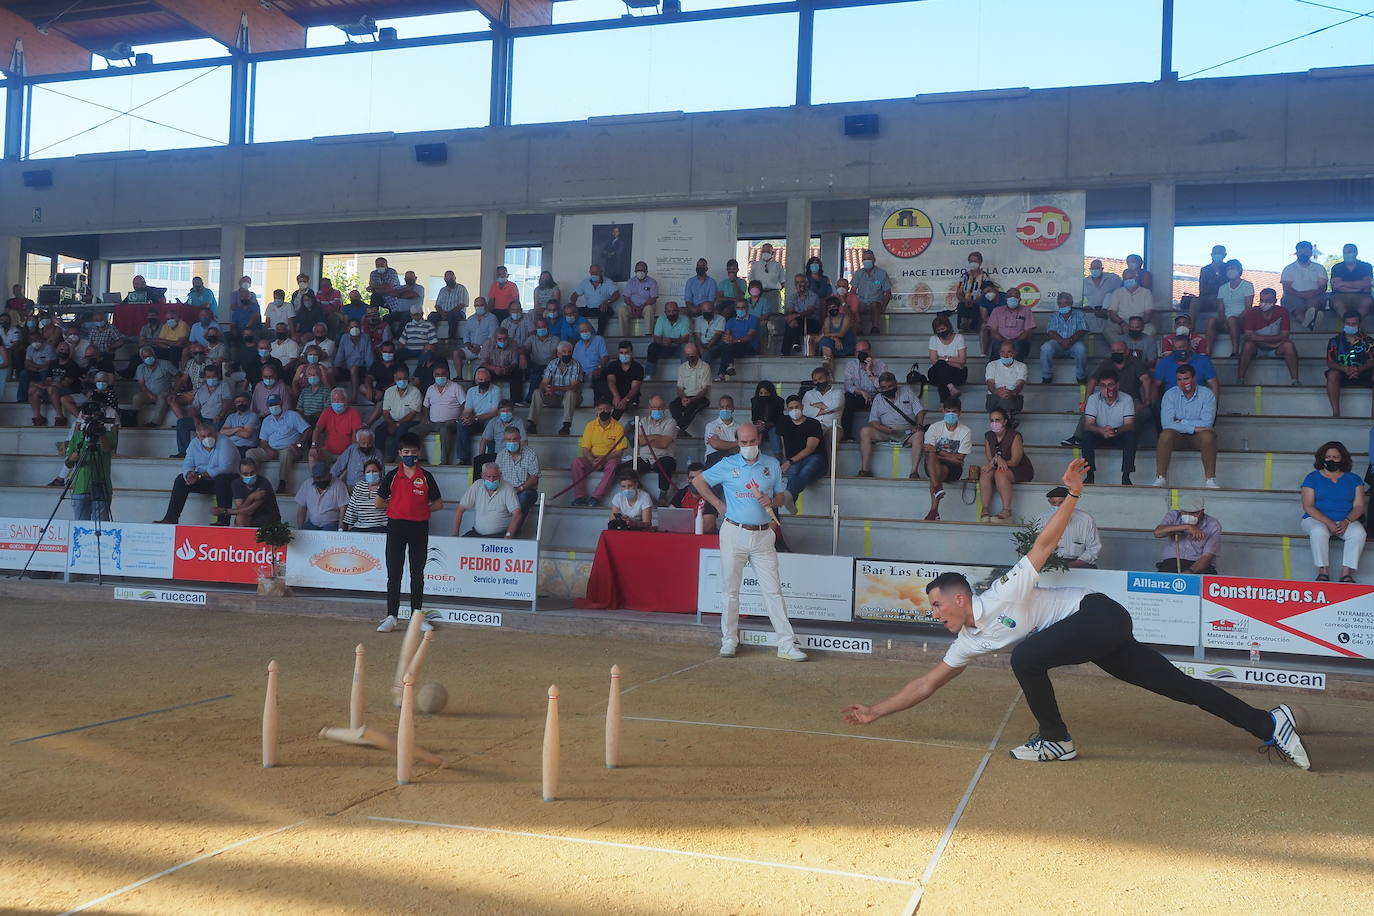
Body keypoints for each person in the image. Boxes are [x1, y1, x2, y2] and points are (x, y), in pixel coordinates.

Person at [841, 457, 1311, 771]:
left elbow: (1045, 545)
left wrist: (1072, 494)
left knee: (1026, 657)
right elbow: (925, 683)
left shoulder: (1004, 591)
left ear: (961, 598)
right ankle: (1270, 723)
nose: (934, 613)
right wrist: (875, 711)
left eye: (938, 604)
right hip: (1098, 638)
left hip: (1098, 615)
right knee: (1182, 689)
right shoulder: (969, 640)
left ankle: (1056, 739)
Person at [694, 421, 808, 662]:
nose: (748, 446)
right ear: (737, 442)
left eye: (752, 441)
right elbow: (698, 481)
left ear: (759, 440)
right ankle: (729, 640)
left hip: (763, 533)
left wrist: (772, 501)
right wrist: (718, 505)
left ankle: (786, 644)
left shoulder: (771, 464)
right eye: (743, 442)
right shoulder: (727, 464)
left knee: (773, 591)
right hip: (734, 531)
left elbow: (779, 496)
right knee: (731, 590)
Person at [375, 433, 444, 633]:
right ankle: (391, 616)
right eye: (406, 452)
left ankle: (417, 616)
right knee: (394, 573)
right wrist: (396, 506)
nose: (410, 456)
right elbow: (379, 502)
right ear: (399, 453)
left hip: (419, 527)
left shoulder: (426, 476)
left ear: (419, 453)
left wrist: (421, 510)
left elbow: (438, 503)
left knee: (417, 573)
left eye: (413, 453)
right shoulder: (392, 475)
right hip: (396, 526)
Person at [1300, 441, 1366, 583]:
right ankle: (1323, 571)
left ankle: (1346, 573)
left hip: (1345, 519)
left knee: (1358, 533)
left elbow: (1359, 506)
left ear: (1342, 458)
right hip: (1315, 519)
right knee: (1319, 531)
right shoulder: (1312, 477)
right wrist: (1328, 522)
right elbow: (1308, 506)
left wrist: (1346, 521)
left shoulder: (1354, 479)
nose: (1331, 460)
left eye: (1335, 457)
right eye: (1328, 456)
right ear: (1322, 458)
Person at [156, 422, 239, 524]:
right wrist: (189, 474)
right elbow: (187, 463)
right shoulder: (194, 444)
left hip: (229, 481)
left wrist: (199, 476)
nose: (207, 438)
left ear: (215, 433)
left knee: (221, 479)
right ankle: (170, 518)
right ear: (198, 437)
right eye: (203, 436)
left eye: (209, 435)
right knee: (181, 479)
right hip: (206, 481)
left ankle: (223, 521)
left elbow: (226, 468)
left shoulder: (225, 442)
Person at [1154, 364, 1219, 489]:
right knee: (1165, 434)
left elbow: (1207, 424)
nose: (1183, 382)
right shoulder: (1170, 394)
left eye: (1186, 379)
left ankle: (1210, 480)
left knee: (1208, 436)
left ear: (1194, 378)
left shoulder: (1207, 394)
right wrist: (1193, 427)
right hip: (1178, 437)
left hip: (1197, 438)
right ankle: (1161, 477)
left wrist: (1181, 422)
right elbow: (1166, 424)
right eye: (1179, 379)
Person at [858, 372, 923, 478]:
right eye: (884, 387)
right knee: (865, 431)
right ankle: (865, 470)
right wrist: (882, 428)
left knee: (919, 434)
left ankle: (914, 472)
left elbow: (920, 411)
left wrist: (919, 425)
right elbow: (873, 421)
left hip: (907, 432)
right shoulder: (878, 398)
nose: (887, 389)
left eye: (890, 386)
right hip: (886, 431)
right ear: (880, 387)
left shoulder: (907, 391)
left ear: (896, 383)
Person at [1079, 368, 1137, 485]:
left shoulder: (1126, 398)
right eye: (1103, 386)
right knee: (1086, 437)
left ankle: (1126, 476)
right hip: (1099, 434)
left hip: (1118, 433)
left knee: (1131, 437)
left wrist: (1115, 430)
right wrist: (1101, 430)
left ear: (1117, 385)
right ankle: (1090, 475)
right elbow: (1088, 425)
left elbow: (1129, 425)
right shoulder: (1093, 398)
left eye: (1110, 385)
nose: (1107, 389)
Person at [921, 397, 973, 520]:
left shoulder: (965, 431)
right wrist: (950, 456)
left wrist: (938, 451)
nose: (951, 414)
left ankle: (935, 497)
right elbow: (928, 450)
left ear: (960, 412)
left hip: (953, 469)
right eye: (948, 411)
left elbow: (960, 458)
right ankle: (934, 506)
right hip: (932, 462)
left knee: (936, 466)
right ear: (943, 411)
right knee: (932, 459)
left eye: (954, 411)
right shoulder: (934, 428)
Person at [65, 401, 117, 521]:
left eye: (94, 414)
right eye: (88, 415)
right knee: (80, 526)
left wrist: (100, 433)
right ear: (83, 416)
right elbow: (68, 464)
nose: (91, 417)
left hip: (101, 485)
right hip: (80, 487)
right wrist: (72, 459)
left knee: (102, 525)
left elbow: (107, 448)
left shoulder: (108, 434)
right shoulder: (78, 436)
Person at [247, 395, 312, 493]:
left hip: (289, 449)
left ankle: (282, 483)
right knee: (250, 453)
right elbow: (263, 441)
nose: (273, 406)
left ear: (281, 403)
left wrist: (298, 444)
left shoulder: (292, 415)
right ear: (268, 406)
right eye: (271, 404)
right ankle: (253, 482)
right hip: (271, 449)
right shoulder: (266, 420)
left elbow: (308, 430)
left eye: (275, 403)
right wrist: (268, 450)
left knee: (286, 453)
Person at [1237, 289, 1300, 386]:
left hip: (1276, 348)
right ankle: (1240, 379)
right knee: (1248, 346)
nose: (1264, 303)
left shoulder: (1283, 312)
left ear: (1275, 301)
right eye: (1262, 300)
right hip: (1258, 347)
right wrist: (1273, 342)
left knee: (1289, 345)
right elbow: (1249, 336)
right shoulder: (1252, 312)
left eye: (1268, 301)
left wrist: (1258, 338)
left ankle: (1295, 380)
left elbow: (1285, 335)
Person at [980, 407, 1032, 522]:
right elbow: (990, 459)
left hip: (1020, 468)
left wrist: (999, 461)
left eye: (997, 420)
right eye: (992, 420)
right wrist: (995, 461)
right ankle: (985, 509)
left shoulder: (1014, 435)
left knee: (1000, 473)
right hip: (999, 467)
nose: (994, 423)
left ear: (1005, 421)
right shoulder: (989, 436)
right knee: (985, 473)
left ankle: (1007, 510)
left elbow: (1015, 461)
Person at [571, 398, 626, 507]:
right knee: (576, 462)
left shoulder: (618, 427)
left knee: (614, 464)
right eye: (600, 409)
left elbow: (619, 451)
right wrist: (592, 460)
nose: (603, 412)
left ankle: (596, 497)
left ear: (611, 409)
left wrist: (604, 459)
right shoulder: (590, 426)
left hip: (609, 459)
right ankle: (580, 497)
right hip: (592, 458)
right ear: (596, 411)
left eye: (605, 409)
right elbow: (585, 448)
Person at [777, 395, 825, 514]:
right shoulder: (784, 422)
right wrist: (786, 461)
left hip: (815, 458)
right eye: (790, 408)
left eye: (796, 407)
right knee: (793, 472)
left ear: (802, 407)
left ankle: (788, 496)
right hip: (793, 460)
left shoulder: (813, 424)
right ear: (787, 409)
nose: (794, 410)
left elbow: (810, 449)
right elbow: (783, 445)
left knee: (806, 470)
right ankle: (791, 500)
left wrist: (790, 461)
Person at [1153, 493, 1222, 574]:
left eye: (1193, 513)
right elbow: (1157, 533)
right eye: (1185, 512)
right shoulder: (1174, 515)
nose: (1188, 515)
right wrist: (1186, 526)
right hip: (1172, 562)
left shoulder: (1213, 524)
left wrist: (1190, 571)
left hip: (1199, 564)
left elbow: (1207, 557)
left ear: (1201, 511)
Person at [411, 362, 465, 465]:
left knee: (445, 430)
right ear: (433, 376)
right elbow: (426, 406)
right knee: (412, 431)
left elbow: (465, 404)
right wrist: (426, 417)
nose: (440, 377)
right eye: (437, 374)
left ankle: (444, 461)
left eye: (443, 374)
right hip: (433, 423)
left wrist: (458, 419)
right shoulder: (430, 389)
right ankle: (422, 458)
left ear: (447, 374)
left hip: (450, 423)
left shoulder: (456, 387)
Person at [1033, 486, 1101, 568]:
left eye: (1061, 502)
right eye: (1053, 503)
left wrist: (1076, 563)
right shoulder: (1041, 519)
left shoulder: (1085, 519)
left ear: (1070, 501)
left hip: (1080, 562)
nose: (1057, 506)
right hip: (1050, 561)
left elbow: (1094, 548)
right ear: (1049, 502)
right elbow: (1034, 545)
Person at [452, 462, 524, 538]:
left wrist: (508, 536)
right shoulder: (477, 485)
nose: (491, 480)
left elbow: (517, 514)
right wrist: (455, 534)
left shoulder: (507, 487)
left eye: (495, 476)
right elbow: (460, 509)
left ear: (500, 475)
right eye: (488, 476)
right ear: (482, 476)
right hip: (477, 534)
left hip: (499, 535)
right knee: (460, 546)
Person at [629, 394, 677, 503]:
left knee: (667, 464)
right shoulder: (643, 421)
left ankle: (663, 496)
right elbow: (638, 441)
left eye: (660, 407)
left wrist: (646, 439)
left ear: (664, 408)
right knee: (622, 469)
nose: (657, 410)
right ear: (649, 408)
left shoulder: (671, 422)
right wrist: (657, 437)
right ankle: (645, 494)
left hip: (663, 457)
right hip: (644, 458)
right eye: (654, 407)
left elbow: (664, 443)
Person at [1325, 311, 1374, 418]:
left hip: (1363, 373)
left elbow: (1372, 360)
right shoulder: (1334, 341)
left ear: (1359, 324)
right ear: (1343, 324)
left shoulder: (1368, 341)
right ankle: (1336, 413)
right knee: (1332, 374)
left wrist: (1360, 369)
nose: (1351, 326)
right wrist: (1345, 369)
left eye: (1354, 324)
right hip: (1343, 374)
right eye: (1348, 323)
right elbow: (1330, 362)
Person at [212, 458, 281, 527]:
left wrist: (224, 511)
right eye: (245, 474)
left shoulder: (264, 483)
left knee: (240, 517)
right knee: (240, 517)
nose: (249, 476)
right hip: (250, 517)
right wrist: (250, 498)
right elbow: (241, 508)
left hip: (268, 517)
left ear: (257, 471)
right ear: (240, 474)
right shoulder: (236, 483)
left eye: (252, 472)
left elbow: (250, 510)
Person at [535, 341, 584, 437]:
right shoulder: (552, 364)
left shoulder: (576, 365)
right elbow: (543, 383)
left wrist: (556, 388)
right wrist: (546, 388)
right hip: (555, 397)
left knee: (570, 393)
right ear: (558, 354)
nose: (567, 354)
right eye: (564, 352)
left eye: (569, 352)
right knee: (537, 392)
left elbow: (574, 386)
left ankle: (566, 425)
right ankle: (532, 423)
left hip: (573, 398)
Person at [840, 340, 885, 442]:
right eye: (858, 351)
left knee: (884, 398)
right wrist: (861, 392)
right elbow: (847, 386)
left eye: (864, 351)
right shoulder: (851, 365)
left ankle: (879, 435)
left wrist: (869, 371)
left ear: (870, 351)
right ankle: (847, 436)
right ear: (855, 353)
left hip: (876, 397)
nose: (861, 354)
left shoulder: (880, 364)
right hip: (859, 397)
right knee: (848, 397)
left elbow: (882, 388)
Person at [1039, 293, 1088, 383]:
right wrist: (1061, 341)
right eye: (1060, 303)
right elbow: (1051, 331)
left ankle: (1081, 377)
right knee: (1045, 348)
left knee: (1081, 349)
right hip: (1058, 343)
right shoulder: (1054, 315)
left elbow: (1082, 330)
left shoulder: (1080, 314)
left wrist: (1070, 340)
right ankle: (1046, 377)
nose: (1062, 306)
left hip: (1074, 343)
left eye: (1065, 303)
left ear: (1071, 303)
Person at [495, 427, 541, 523]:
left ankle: (512, 532)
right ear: (504, 440)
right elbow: (497, 476)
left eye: (515, 439)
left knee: (522, 499)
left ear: (520, 438)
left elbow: (534, 477)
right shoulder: (501, 455)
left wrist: (519, 489)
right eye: (509, 439)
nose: (512, 442)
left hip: (525, 491)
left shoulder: (530, 453)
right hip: (506, 491)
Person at [1280, 240, 1329, 330]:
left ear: (1310, 253)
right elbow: (1286, 288)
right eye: (1300, 252)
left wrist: (1313, 294)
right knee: (1298, 308)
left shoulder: (1319, 268)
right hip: (1293, 296)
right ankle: (1310, 325)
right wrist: (1301, 295)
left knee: (1313, 305)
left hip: (1315, 295)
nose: (1303, 254)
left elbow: (1323, 286)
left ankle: (1310, 321)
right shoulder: (1288, 268)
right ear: (1296, 253)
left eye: (1306, 252)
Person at [1104, 268, 1155, 347]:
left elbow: (1148, 314)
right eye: (1125, 279)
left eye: (1130, 278)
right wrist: (1122, 324)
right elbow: (1112, 313)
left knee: (1151, 330)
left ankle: (1136, 350)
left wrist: (1138, 325)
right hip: (1121, 321)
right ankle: (1123, 349)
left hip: (1140, 321)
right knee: (1108, 330)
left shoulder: (1146, 293)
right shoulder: (1117, 292)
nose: (1128, 280)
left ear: (1137, 278)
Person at [1212, 259, 1253, 356]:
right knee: (1211, 321)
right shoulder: (1222, 288)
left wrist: (1233, 320)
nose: (1230, 270)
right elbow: (1220, 308)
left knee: (1232, 320)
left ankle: (1235, 351)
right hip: (1226, 320)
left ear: (1239, 270)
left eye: (1233, 268)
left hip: (1242, 320)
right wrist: (1224, 321)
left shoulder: (1247, 286)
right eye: (1228, 269)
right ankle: (1208, 352)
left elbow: (1248, 308)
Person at [295, 459, 349, 531]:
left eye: (323, 477)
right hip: (312, 523)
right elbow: (302, 508)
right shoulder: (307, 484)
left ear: (329, 475)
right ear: (313, 478)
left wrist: (340, 529)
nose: (321, 480)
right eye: (318, 478)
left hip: (331, 524)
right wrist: (300, 529)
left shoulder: (339, 485)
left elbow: (343, 509)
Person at [984, 289, 1036, 362]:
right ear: (1006, 298)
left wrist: (1013, 341)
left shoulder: (1026, 311)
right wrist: (1005, 341)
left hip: (1019, 341)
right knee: (997, 346)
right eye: (1010, 295)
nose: (1013, 297)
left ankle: (1017, 371)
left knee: (1017, 346)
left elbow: (1027, 331)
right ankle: (993, 371)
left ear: (1020, 299)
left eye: (1016, 296)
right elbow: (993, 332)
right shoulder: (997, 311)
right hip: (1000, 340)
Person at [312, 388, 365, 460]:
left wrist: (352, 453)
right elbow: (317, 429)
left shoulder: (353, 413)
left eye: (340, 400)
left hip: (347, 453)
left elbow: (355, 435)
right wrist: (314, 445)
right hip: (328, 452)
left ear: (346, 401)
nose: (337, 402)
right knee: (312, 454)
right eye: (334, 400)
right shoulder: (327, 412)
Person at [670, 342, 711, 433]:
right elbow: (679, 388)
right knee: (673, 406)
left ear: (697, 353)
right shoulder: (682, 368)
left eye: (692, 355)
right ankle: (681, 429)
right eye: (688, 355)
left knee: (691, 408)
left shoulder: (705, 367)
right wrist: (683, 398)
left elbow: (705, 389)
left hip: (700, 398)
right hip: (685, 396)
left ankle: (679, 428)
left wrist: (692, 400)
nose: (690, 357)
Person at [715, 298, 760, 380]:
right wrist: (727, 339)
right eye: (738, 308)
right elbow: (727, 334)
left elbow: (750, 336)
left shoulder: (754, 319)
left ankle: (723, 371)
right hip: (733, 346)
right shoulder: (731, 321)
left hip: (748, 347)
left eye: (743, 307)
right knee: (725, 345)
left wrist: (736, 340)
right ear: (735, 309)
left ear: (747, 308)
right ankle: (728, 367)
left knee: (726, 346)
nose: (740, 310)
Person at [132, 346, 177, 428]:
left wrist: (174, 390)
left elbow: (179, 376)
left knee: (162, 397)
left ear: (154, 355)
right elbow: (141, 384)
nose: (148, 358)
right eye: (145, 357)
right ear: (142, 358)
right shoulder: (140, 368)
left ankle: (155, 423)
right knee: (137, 397)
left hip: (164, 392)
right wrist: (149, 394)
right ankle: (134, 422)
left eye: (150, 355)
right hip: (148, 393)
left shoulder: (166, 364)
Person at [341, 458, 389, 533]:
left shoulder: (386, 486)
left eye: (374, 471)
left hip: (380, 527)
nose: (371, 474)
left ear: (380, 472)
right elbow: (351, 509)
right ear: (364, 474)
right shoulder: (359, 486)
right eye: (368, 472)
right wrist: (348, 528)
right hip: (360, 526)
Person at [571, 263, 619, 337]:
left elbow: (616, 294)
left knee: (603, 312)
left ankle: (599, 336)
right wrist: (573, 305)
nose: (594, 274)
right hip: (589, 309)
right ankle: (575, 335)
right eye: (593, 272)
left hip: (603, 308)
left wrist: (607, 302)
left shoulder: (608, 282)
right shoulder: (585, 282)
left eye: (597, 272)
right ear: (589, 272)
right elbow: (574, 296)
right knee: (572, 312)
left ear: (601, 272)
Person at [599, 339, 644, 419]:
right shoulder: (612, 365)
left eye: (626, 352)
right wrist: (616, 395)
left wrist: (625, 400)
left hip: (630, 397)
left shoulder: (638, 368)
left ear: (631, 353)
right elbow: (611, 381)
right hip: (614, 394)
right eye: (621, 353)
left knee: (620, 406)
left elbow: (635, 387)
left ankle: (611, 425)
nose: (624, 355)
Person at [852, 249, 892, 334]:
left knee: (875, 305)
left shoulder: (882, 274)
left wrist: (884, 307)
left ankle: (875, 328)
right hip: (862, 302)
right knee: (854, 306)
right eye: (864, 259)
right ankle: (858, 328)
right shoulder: (858, 273)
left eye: (869, 259)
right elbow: (853, 291)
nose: (866, 261)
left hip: (875, 302)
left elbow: (888, 293)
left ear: (874, 260)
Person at [646, 302, 691, 378]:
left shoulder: (685, 319)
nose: (672, 313)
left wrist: (671, 340)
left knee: (686, 348)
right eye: (669, 311)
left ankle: (686, 376)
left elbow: (685, 338)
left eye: (674, 311)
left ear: (678, 311)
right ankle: (649, 375)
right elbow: (656, 337)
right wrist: (663, 341)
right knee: (652, 347)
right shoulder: (661, 319)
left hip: (678, 348)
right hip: (664, 347)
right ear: (665, 312)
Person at [479, 327, 524, 401]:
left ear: (508, 337)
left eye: (505, 338)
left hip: (507, 370)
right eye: (500, 339)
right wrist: (494, 368)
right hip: (492, 370)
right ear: (495, 338)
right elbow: (483, 362)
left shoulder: (513, 344)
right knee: (480, 372)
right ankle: (478, 397)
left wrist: (508, 368)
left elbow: (515, 362)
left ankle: (516, 400)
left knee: (518, 372)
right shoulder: (488, 344)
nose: (503, 341)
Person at [985, 340, 1027, 418]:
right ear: (999, 352)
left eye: (1009, 352)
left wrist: (1012, 393)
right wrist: (996, 391)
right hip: (994, 397)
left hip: (1014, 397)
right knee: (1004, 401)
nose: (1005, 355)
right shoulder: (991, 365)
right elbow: (990, 384)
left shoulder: (1022, 366)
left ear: (1015, 353)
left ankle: (1003, 421)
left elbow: (1020, 385)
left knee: (1007, 400)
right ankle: (1008, 420)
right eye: (1002, 352)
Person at [672, 461, 718, 533]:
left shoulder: (711, 495)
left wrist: (680, 526)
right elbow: (669, 517)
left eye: (698, 478)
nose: (695, 481)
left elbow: (707, 527)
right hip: (681, 536)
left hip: (704, 539)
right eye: (692, 478)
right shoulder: (681, 493)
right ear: (687, 479)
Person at [1329, 243, 1373, 318]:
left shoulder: (1366, 266)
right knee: (1337, 304)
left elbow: (1367, 283)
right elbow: (1336, 286)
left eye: (1349, 252)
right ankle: (1348, 324)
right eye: (1344, 252)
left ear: (1356, 253)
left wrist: (1343, 283)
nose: (1346, 254)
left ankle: (1355, 324)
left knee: (1367, 302)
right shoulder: (1336, 267)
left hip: (1362, 296)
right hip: (1340, 296)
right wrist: (1359, 287)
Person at [782, 274, 821, 356]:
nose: (800, 284)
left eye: (802, 282)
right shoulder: (792, 297)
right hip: (798, 323)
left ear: (807, 283)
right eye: (797, 282)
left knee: (796, 320)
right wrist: (791, 318)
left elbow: (810, 311)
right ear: (795, 285)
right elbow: (790, 311)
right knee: (790, 322)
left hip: (812, 322)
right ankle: (793, 345)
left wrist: (795, 316)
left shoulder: (813, 296)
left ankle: (786, 350)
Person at [618, 261, 659, 336]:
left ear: (646, 271)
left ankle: (648, 334)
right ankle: (623, 336)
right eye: (638, 270)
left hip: (645, 307)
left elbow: (653, 298)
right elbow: (626, 297)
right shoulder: (631, 281)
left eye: (642, 270)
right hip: (632, 307)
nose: (640, 272)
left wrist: (641, 307)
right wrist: (633, 307)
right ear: (635, 271)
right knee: (622, 309)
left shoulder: (652, 282)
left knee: (649, 309)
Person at [801, 365, 843, 435]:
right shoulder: (809, 394)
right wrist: (825, 411)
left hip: (833, 427)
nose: (818, 382)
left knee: (832, 436)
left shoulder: (838, 392)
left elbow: (836, 405)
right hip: (813, 426)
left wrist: (817, 406)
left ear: (828, 378)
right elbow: (804, 410)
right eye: (815, 380)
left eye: (820, 379)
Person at [748, 243, 786, 318]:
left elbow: (783, 282)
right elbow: (751, 281)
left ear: (772, 253)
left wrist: (775, 287)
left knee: (774, 315)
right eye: (763, 251)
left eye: (768, 251)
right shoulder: (755, 265)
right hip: (758, 294)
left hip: (773, 294)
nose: (765, 253)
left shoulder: (778, 265)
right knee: (757, 315)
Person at [702, 396, 741, 467]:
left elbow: (742, 447)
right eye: (722, 407)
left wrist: (722, 443)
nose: (725, 409)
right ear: (719, 408)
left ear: (733, 408)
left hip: (732, 462)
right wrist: (737, 443)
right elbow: (716, 444)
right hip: (714, 462)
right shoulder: (711, 426)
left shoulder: (739, 427)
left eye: (728, 407)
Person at [431, 269, 470, 340]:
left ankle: (451, 338)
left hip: (458, 313)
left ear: (455, 278)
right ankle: (432, 337)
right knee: (432, 315)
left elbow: (462, 305)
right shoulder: (442, 290)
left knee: (452, 316)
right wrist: (442, 313)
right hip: (443, 313)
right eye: (447, 279)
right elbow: (437, 305)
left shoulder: (461, 288)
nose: (449, 281)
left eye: (451, 278)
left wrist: (449, 313)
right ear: (445, 279)